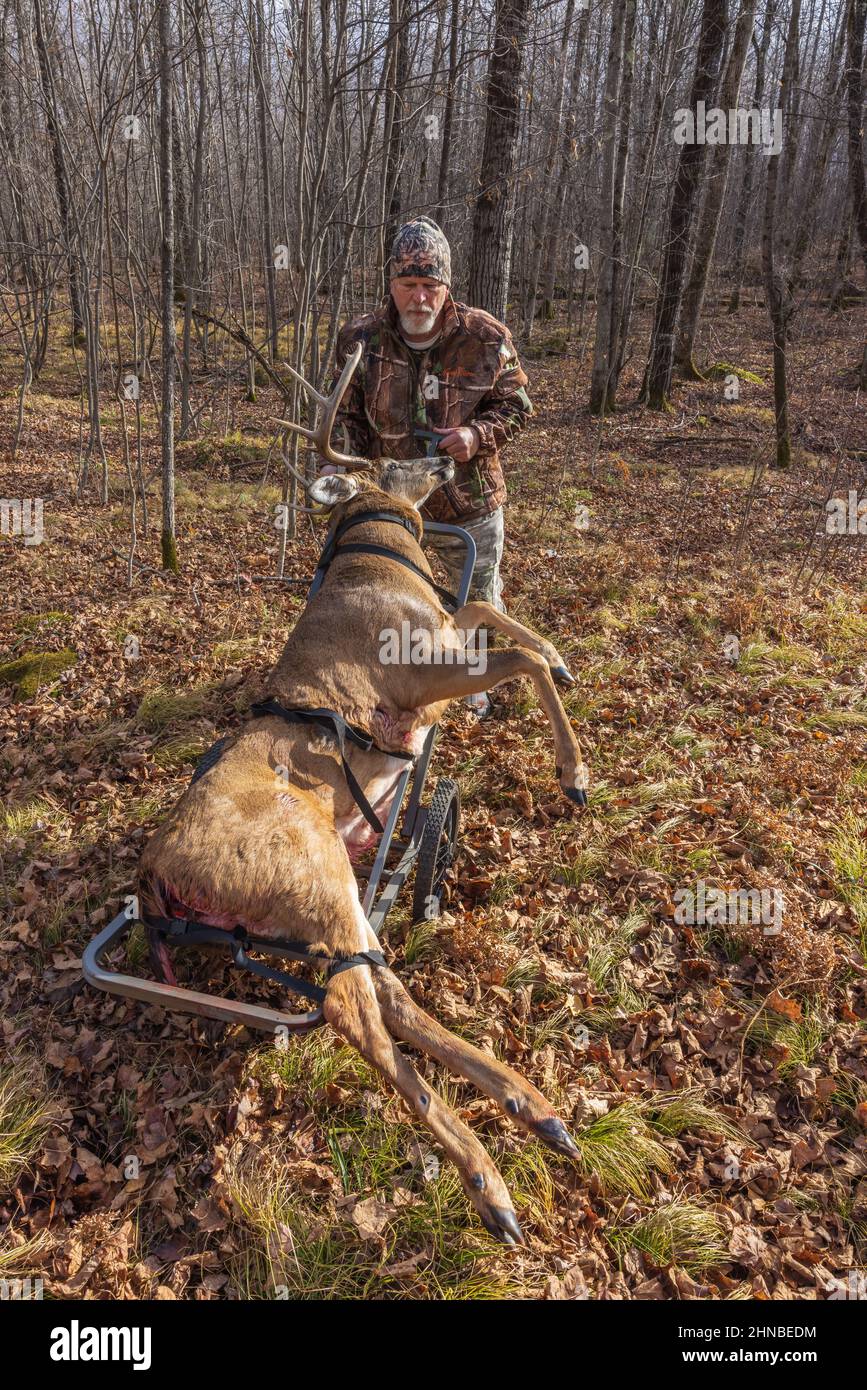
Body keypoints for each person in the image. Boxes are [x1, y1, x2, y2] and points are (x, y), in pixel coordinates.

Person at [329, 216, 533, 715]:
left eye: (429, 285)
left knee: (478, 600)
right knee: (388, 597)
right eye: (408, 285)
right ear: (391, 285)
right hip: (390, 507)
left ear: (446, 286)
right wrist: (349, 479)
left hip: (469, 503)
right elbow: (342, 417)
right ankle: (394, 683)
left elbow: (518, 406)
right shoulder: (360, 339)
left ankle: (479, 691)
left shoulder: (485, 336)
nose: (419, 298)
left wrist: (476, 434)